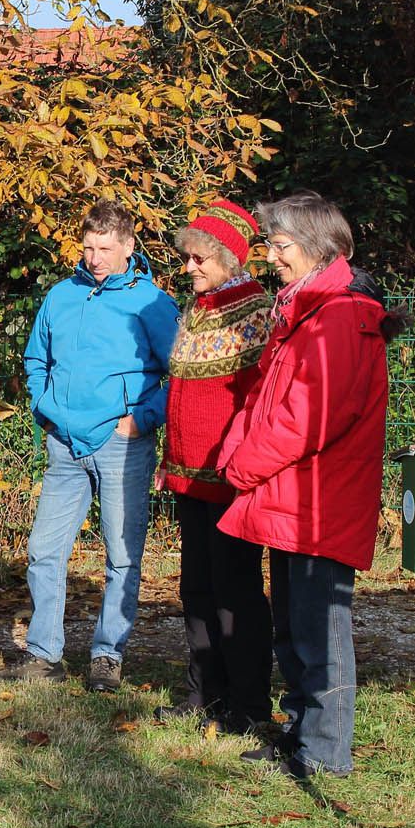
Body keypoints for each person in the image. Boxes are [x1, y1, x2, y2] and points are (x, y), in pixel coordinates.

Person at [217, 191, 404, 779]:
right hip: (290, 493)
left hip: (318, 496)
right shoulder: (304, 311)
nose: (271, 256)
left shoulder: (340, 317)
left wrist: (245, 466)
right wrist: (236, 452)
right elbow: (264, 401)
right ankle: (302, 733)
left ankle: (323, 754)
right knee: (294, 623)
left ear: (318, 249)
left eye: (280, 245)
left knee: (321, 629)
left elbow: (310, 417)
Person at [0, 201, 179, 692]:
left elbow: (180, 374)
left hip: (123, 445)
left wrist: (141, 419)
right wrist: (46, 408)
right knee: (43, 551)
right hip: (64, 444)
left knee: (120, 554)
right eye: (89, 247)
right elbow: (36, 358)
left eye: (106, 249)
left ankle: (107, 656)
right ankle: (44, 653)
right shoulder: (61, 295)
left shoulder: (151, 302)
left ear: (128, 248)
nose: (95, 258)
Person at [154, 200, 273, 733]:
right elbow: (182, 393)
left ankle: (248, 704)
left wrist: (243, 469)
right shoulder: (198, 309)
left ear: (230, 258)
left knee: (236, 593)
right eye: (189, 258)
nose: (190, 267)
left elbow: (256, 403)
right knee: (197, 588)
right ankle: (204, 692)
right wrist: (168, 459)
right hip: (189, 478)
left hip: (229, 482)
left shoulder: (253, 313)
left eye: (200, 258)